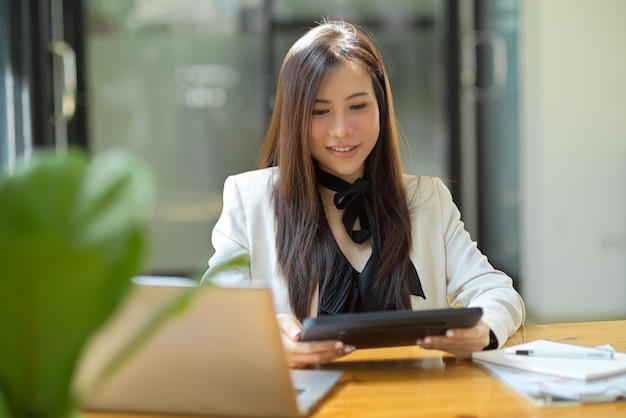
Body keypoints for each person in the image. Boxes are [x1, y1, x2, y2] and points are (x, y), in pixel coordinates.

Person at [202, 19, 525, 367]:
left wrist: (485, 331)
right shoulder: (250, 199)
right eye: (320, 111)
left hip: (418, 401)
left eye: (358, 106)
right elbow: (213, 318)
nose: (341, 130)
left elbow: (498, 292)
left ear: (381, 106)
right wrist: (265, 334)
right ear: (294, 117)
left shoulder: (428, 199)